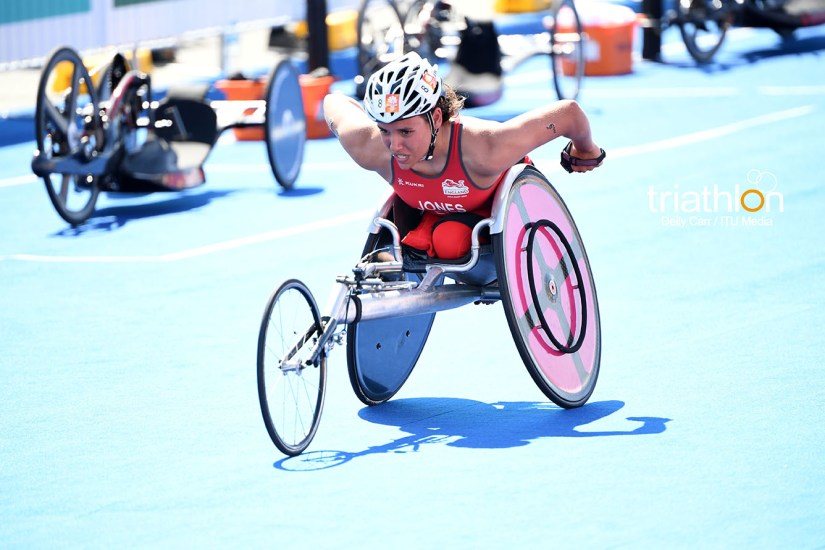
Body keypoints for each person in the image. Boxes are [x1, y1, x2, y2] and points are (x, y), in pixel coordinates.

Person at [323, 51, 605, 263]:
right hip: (432, 214)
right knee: (423, 243)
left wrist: (586, 150)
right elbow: (334, 101)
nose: (394, 145)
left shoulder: (487, 148)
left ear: (435, 118)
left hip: (495, 211)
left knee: (449, 240)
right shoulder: (369, 147)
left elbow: (569, 113)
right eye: (385, 130)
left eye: (406, 131)